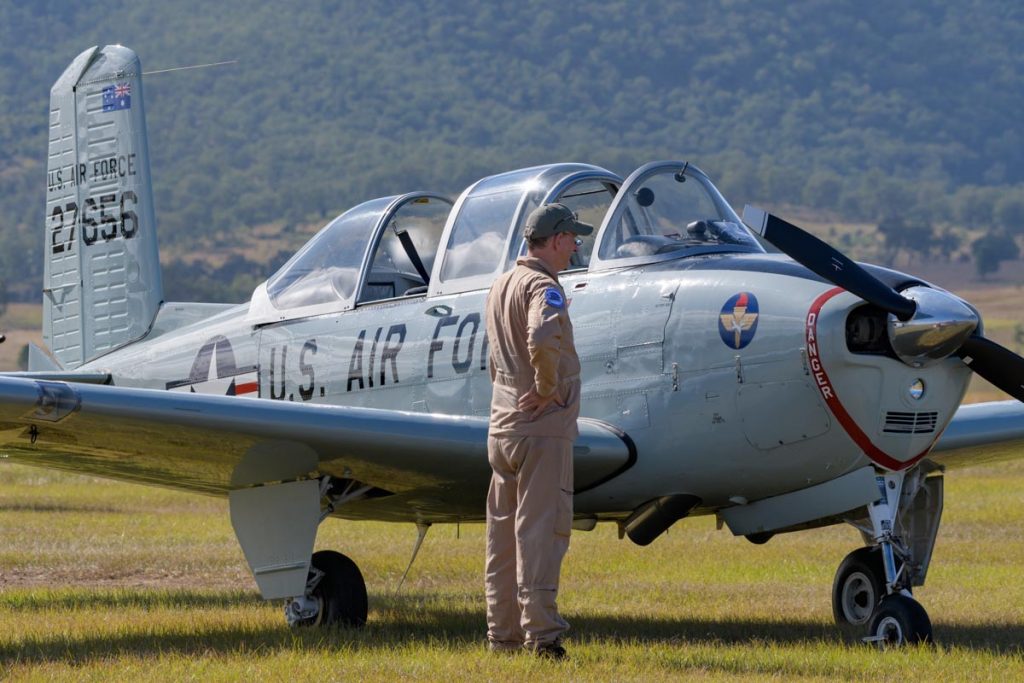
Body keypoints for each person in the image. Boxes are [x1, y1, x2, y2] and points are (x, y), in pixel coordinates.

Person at [483, 202, 592, 659]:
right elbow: (543, 336)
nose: (576, 246)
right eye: (572, 237)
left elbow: (495, 355)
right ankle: (543, 637)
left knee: (502, 537)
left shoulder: (501, 284)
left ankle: (501, 636)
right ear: (554, 240)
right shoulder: (543, 287)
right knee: (541, 533)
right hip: (541, 427)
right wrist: (548, 388)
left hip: (503, 425)